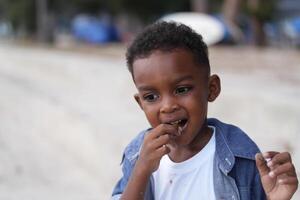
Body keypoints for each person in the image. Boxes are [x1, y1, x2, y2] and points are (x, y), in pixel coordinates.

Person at [111, 21, 298, 200]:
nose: (167, 106)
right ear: (140, 103)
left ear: (212, 88)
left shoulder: (239, 154)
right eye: (151, 97)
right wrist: (142, 171)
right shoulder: (137, 155)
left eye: (182, 89)